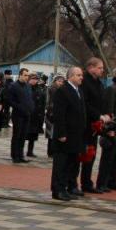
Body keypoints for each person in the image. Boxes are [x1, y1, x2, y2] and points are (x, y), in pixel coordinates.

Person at [50, 67, 87, 201]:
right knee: (61, 164)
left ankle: (68, 187)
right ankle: (57, 189)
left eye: (81, 75)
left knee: (72, 163)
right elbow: (59, 114)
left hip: (76, 134)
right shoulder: (63, 91)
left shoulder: (79, 90)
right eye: (78, 75)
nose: (81, 77)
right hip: (65, 135)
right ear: (70, 76)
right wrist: (61, 133)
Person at [79, 58, 109, 192]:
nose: (102, 70)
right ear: (90, 67)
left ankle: (87, 183)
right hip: (85, 124)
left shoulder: (99, 83)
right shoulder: (84, 82)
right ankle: (78, 183)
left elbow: (102, 101)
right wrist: (98, 115)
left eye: (102, 68)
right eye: (99, 68)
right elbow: (85, 103)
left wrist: (105, 114)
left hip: (95, 125)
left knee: (91, 154)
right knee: (83, 154)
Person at [5, 68, 34, 163]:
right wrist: (19, 107)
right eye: (25, 75)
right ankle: (15, 155)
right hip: (18, 114)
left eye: (27, 75)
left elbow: (30, 99)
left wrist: (31, 108)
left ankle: (21, 155)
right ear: (20, 75)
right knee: (17, 135)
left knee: (23, 135)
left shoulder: (28, 86)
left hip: (27, 114)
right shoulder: (13, 86)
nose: (27, 77)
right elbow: (9, 100)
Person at [26, 73, 46, 158]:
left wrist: (41, 113)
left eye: (36, 79)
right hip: (28, 114)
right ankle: (18, 152)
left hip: (37, 115)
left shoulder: (39, 89)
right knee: (24, 134)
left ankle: (30, 151)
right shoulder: (26, 88)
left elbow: (42, 102)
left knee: (33, 135)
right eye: (32, 79)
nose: (34, 80)